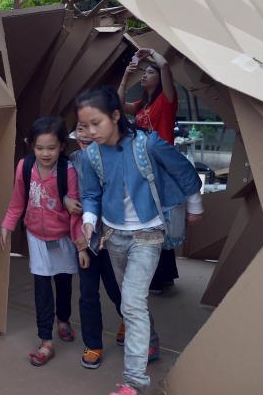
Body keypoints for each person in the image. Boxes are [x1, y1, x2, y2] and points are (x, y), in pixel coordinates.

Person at [76, 87, 204, 395]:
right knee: (130, 302)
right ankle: (151, 342)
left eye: (97, 123)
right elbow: (91, 194)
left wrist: (195, 204)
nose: (91, 131)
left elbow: (184, 170)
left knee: (131, 303)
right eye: (85, 125)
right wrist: (89, 221)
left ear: (116, 116)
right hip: (113, 235)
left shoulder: (148, 144)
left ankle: (134, 381)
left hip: (148, 234)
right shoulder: (89, 155)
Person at [0, 116, 81, 366]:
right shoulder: (25, 167)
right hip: (36, 236)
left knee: (64, 283)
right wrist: (7, 225)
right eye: (39, 147)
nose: (45, 153)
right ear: (31, 145)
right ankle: (46, 341)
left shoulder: (68, 171)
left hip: (63, 237)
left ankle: (63, 319)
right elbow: (17, 201)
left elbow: (76, 210)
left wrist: (80, 243)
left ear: (62, 147)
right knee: (42, 288)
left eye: (52, 147)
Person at [118, 48, 181, 295]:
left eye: (149, 72)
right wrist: (125, 77)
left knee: (156, 222)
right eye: (143, 72)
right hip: (144, 169)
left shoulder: (167, 100)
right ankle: (162, 277)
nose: (145, 75)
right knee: (152, 222)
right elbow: (118, 105)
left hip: (162, 170)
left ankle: (159, 277)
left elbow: (166, 67)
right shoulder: (142, 106)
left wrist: (151, 53)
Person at [66, 123, 124, 369]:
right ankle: (93, 344)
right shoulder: (72, 160)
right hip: (85, 239)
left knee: (116, 288)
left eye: (92, 127)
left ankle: (127, 321)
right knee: (88, 294)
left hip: (113, 238)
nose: (86, 134)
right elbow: (63, 192)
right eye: (80, 129)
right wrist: (65, 199)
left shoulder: (117, 156)